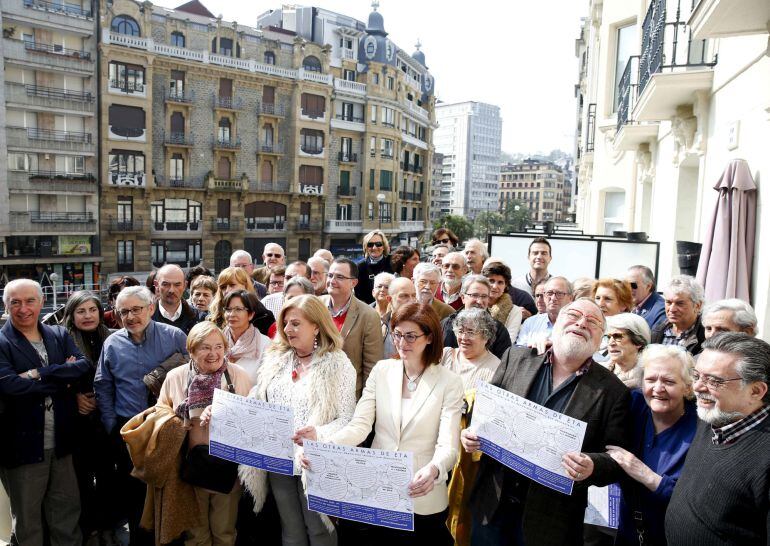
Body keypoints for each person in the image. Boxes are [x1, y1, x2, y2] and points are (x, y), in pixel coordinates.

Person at [462, 298, 632, 546]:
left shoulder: (613, 391)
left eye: (593, 321)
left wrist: (592, 465)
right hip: (493, 504)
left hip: (551, 520)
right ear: (556, 323)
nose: (581, 322)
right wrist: (472, 433)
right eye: (573, 315)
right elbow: (484, 411)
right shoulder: (516, 357)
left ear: (601, 339)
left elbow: (616, 457)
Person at [310, 302, 463, 546]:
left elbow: (448, 445)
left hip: (421, 496)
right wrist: (325, 445)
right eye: (398, 334)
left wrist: (434, 469)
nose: (402, 343)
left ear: (430, 337)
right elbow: (360, 425)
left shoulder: (449, 382)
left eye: (411, 336)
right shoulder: (382, 370)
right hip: (375, 491)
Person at [238, 295, 356, 546]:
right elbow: (257, 398)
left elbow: (346, 418)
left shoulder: (337, 363)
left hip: (313, 461)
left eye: (295, 323)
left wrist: (318, 434)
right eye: (285, 324)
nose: (288, 330)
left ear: (316, 325)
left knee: (320, 531)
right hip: (278, 460)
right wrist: (222, 411)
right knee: (290, 532)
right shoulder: (276, 359)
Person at [94, 286, 188, 544]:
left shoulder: (174, 336)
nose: (130, 316)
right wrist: (112, 425)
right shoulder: (112, 342)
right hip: (131, 430)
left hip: (168, 429)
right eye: (124, 312)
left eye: (136, 309)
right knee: (134, 497)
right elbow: (103, 384)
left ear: (150, 308)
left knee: (170, 494)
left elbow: (194, 375)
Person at [0, 279, 90, 546]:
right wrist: (62, 378)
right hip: (22, 446)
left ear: (41, 303)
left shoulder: (58, 335)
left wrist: (38, 373)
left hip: (62, 442)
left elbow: (82, 366)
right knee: (28, 522)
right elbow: (9, 385)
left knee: (66, 513)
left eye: (29, 301)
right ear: (6, 305)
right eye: (15, 302)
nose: (23, 308)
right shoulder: (2, 341)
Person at [665, 333, 770, 545]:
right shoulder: (712, 417)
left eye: (714, 380)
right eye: (696, 375)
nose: (698, 387)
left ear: (756, 391)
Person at [157, 321, 252, 545]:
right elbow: (160, 416)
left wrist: (224, 414)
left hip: (227, 468)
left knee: (224, 533)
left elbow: (252, 420)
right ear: (191, 350)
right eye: (205, 347)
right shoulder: (176, 376)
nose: (213, 353)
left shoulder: (238, 375)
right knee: (195, 536)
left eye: (219, 346)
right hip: (190, 469)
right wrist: (181, 421)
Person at [607, 344, 697, 546]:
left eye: (669, 381)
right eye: (650, 379)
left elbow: (697, 503)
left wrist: (645, 474)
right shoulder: (633, 405)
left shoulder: (701, 429)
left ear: (688, 386)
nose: (657, 388)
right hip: (627, 534)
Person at [62, 291, 119, 545]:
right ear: (72, 316)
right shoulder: (62, 340)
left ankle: (108, 525)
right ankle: (89, 530)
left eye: (92, 310)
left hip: (106, 416)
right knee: (81, 479)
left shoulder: (113, 338)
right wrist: (74, 397)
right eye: (81, 311)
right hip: (78, 420)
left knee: (108, 476)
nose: (88, 316)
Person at [442, 308, 501, 546]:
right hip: (435, 440)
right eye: (461, 331)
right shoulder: (446, 355)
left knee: (457, 508)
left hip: (465, 451)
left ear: (486, 336)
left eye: (472, 332)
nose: (464, 337)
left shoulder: (495, 367)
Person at [322, 258, 384, 399]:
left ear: (353, 283)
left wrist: (366, 404)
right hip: (315, 392)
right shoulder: (315, 306)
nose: (332, 280)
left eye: (340, 277)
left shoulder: (368, 315)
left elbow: (372, 367)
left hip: (348, 397)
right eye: (330, 275)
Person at [441, 275, 512, 360]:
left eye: (484, 296)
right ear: (463, 298)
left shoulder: (498, 330)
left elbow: (504, 363)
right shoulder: (447, 324)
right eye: (474, 295)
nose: (479, 301)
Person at [222, 290, 271, 384]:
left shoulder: (264, 344)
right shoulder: (217, 340)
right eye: (228, 309)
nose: (232, 314)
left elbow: (264, 382)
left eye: (238, 309)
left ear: (251, 314)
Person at [210, 267, 275, 335]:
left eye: (232, 285)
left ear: (245, 286)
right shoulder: (215, 312)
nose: (227, 291)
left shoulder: (262, 315)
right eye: (223, 287)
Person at [651, 275, 706, 355]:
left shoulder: (706, 335)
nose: (672, 309)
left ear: (697, 305)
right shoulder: (657, 331)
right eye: (668, 302)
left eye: (680, 303)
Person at [515, 276, 574, 347]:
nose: (553, 298)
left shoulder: (577, 325)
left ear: (570, 298)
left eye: (559, 294)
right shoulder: (530, 323)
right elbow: (518, 351)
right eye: (549, 293)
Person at [152, 264, 206, 335]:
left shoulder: (199, 318)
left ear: (185, 286)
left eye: (177, 285)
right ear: (156, 285)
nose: (171, 290)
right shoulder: (145, 317)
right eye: (166, 284)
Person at [603, 313, 652, 389]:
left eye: (618, 336)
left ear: (638, 342)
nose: (611, 343)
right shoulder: (599, 372)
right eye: (609, 337)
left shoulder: (650, 377)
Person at [483, 261, 524, 342]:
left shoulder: (515, 311)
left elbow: (509, 340)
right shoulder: (475, 305)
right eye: (491, 281)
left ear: (506, 286)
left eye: (500, 282)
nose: (495, 286)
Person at [382, 277, 418, 359]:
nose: (411, 301)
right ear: (389, 299)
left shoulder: (424, 326)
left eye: (414, 295)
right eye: (404, 296)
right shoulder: (379, 326)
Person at [354, 230, 392, 305]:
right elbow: (359, 296)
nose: (374, 247)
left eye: (378, 244)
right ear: (366, 247)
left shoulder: (392, 262)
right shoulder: (360, 267)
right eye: (370, 244)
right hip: (370, 309)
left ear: (384, 246)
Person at [626, 265, 666, 330]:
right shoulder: (628, 306)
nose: (628, 289)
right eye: (626, 285)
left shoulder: (660, 310)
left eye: (633, 285)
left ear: (648, 286)